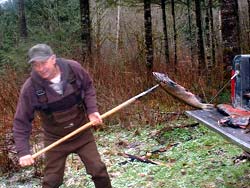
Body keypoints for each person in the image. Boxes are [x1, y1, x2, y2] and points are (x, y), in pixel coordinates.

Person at [13, 44, 112, 188]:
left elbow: (88, 87)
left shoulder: (73, 69)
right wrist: (23, 152)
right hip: (55, 139)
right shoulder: (30, 88)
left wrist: (92, 110)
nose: (40, 68)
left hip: (82, 133)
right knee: (51, 181)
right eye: (36, 65)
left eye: (43, 63)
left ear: (53, 59)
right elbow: (21, 122)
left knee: (98, 170)